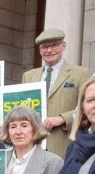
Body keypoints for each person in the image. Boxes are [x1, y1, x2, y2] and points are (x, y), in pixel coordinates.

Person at [22, 29, 90, 158]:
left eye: (54, 45)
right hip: (33, 145)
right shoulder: (28, 76)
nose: (49, 50)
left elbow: (86, 107)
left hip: (64, 144)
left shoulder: (81, 74)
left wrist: (63, 119)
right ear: (40, 50)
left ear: (63, 46)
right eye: (44, 47)